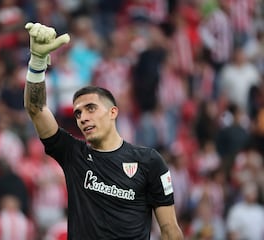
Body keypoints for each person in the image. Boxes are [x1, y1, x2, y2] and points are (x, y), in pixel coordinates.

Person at [23, 22, 183, 239]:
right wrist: (38, 63)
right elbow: (36, 109)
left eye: (90, 108)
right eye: (78, 113)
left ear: (113, 112)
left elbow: (170, 229)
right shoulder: (73, 155)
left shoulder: (149, 161)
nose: (83, 117)